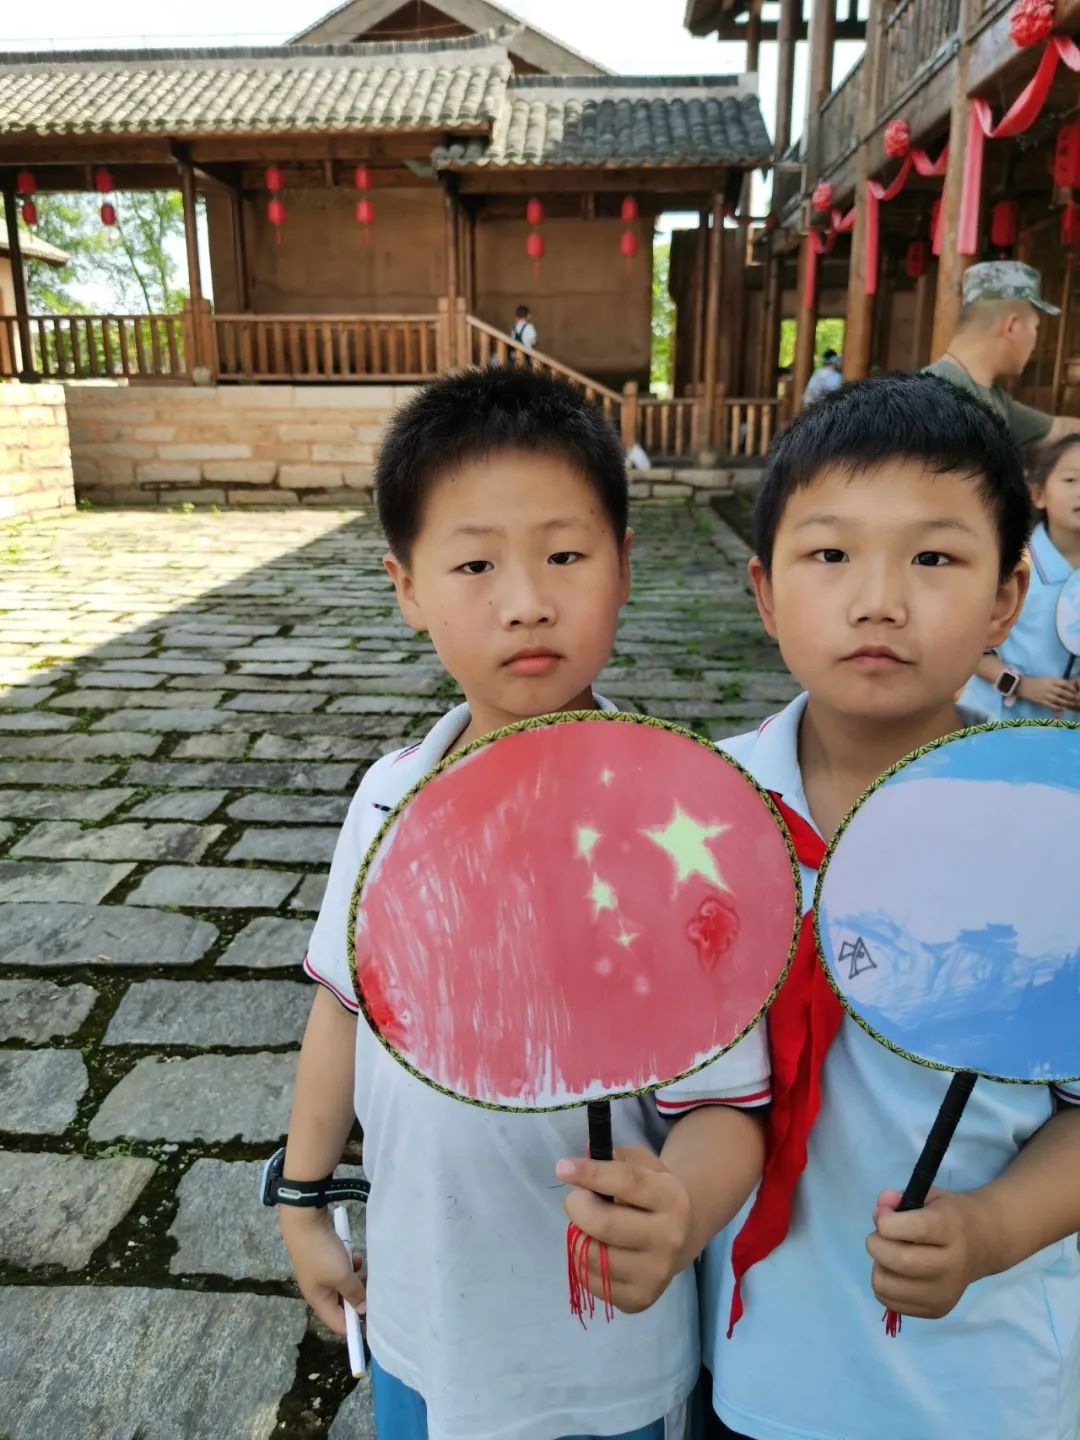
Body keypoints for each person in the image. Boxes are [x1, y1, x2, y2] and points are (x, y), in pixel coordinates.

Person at [275, 366, 771, 1440]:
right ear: (405, 586)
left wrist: (678, 1214)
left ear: (625, 567)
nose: (526, 600)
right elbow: (341, 1008)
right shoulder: (388, 797)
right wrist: (300, 1197)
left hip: (602, 1364)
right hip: (421, 1325)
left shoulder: (686, 826)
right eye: (474, 563)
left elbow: (732, 1106)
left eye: (564, 554)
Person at [695, 374, 1080, 1440]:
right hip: (753, 1367)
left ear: (1008, 598)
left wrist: (994, 1229)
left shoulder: (1055, 835)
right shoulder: (699, 817)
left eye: (934, 557)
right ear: (765, 592)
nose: (879, 600)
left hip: (981, 1388)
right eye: (829, 555)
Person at [962, 433, 1080, 719]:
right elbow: (964, 647)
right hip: (994, 720)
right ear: (1038, 495)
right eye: (1071, 480)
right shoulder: (1007, 562)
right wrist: (1021, 685)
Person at [926, 260, 1080, 448]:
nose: (1035, 340)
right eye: (1035, 327)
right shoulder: (938, 399)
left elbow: (1061, 429)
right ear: (1012, 327)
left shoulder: (993, 397)